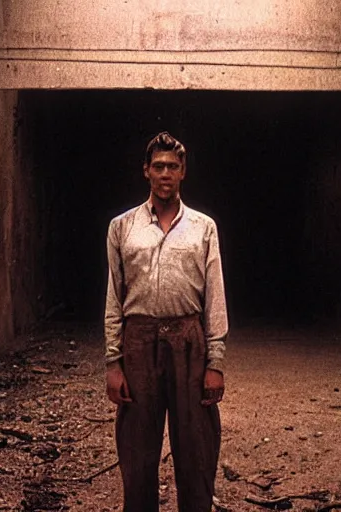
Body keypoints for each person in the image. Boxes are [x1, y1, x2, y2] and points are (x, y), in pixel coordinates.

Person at [103, 132, 227, 512]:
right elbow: (114, 296)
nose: (165, 173)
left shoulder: (203, 227)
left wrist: (215, 362)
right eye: (158, 166)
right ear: (146, 171)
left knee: (196, 447)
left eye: (172, 166)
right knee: (137, 449)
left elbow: (215, 296)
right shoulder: (122, 227)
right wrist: (113, 361)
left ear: (183, 172)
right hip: (139, 341)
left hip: (189, 340)